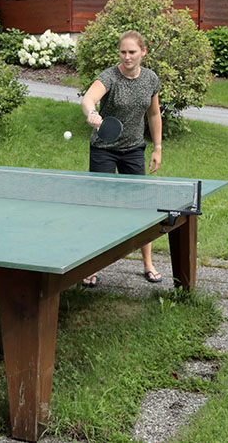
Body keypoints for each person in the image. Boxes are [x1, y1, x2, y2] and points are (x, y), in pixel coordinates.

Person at [79, 30, 163, 287]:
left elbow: (154, 114)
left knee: (140, 207)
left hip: (134, 149)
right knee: (100, 206)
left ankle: (147, 263)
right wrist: (92, 113)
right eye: (123, 52)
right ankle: (92, 265)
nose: (127, 57)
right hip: (104, 149)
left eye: (132, 52)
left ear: (143, 52)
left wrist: (157, 147)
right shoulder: (110, 77)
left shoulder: (150, 79)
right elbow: (88, 99)